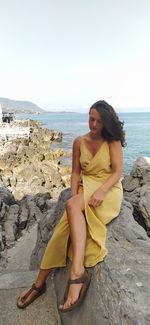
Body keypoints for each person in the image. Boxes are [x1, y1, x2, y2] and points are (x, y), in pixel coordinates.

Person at [17, 100, 125, 312]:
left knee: (69, 215)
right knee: (63, 227)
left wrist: (101, 191)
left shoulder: (112, 141)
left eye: (99, 121)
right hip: (86, 190)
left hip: (107, 190)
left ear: (107, 122)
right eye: (91, 119)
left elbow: (117, 173)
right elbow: (76, 172)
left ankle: (71, 274)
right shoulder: (78, 142)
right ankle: (41, 284)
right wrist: (75, 196)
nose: (93, 124)